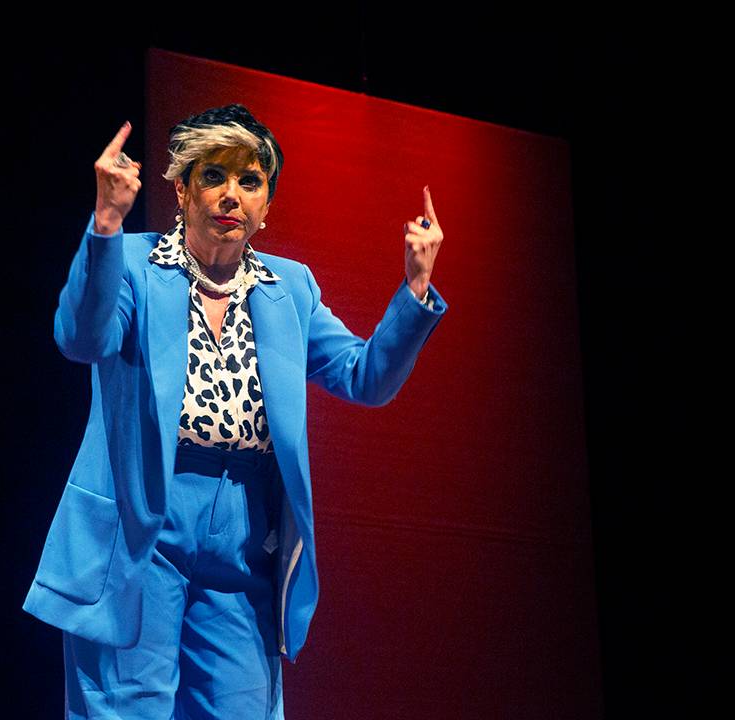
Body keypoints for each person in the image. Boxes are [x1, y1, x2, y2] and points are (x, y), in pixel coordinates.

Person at [24, 104, 447, 719]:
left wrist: (414, 288)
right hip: (147, 524)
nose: (231, 195)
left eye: (249, 182)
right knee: (126, 707)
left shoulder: (290, 288)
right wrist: (107, 222)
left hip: (245, 538)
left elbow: (365, 376)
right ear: (181, 189)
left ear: (266, 205)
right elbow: (82, 338)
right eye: (213, 176)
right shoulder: (138, 268)